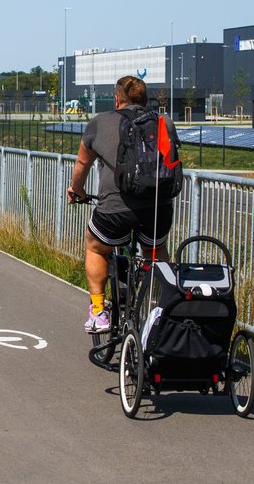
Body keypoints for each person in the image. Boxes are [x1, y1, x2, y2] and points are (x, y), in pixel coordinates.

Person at [66, 76, 176, 333]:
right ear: (146, 101)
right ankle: (160, 311)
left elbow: (82, 164)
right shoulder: (164, 123)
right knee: (156, 250)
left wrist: (77, 191)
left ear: (117, 100)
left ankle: (98, 312)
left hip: (115, 210)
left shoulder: (100, 122)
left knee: (95, 247)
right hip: (158, 209)